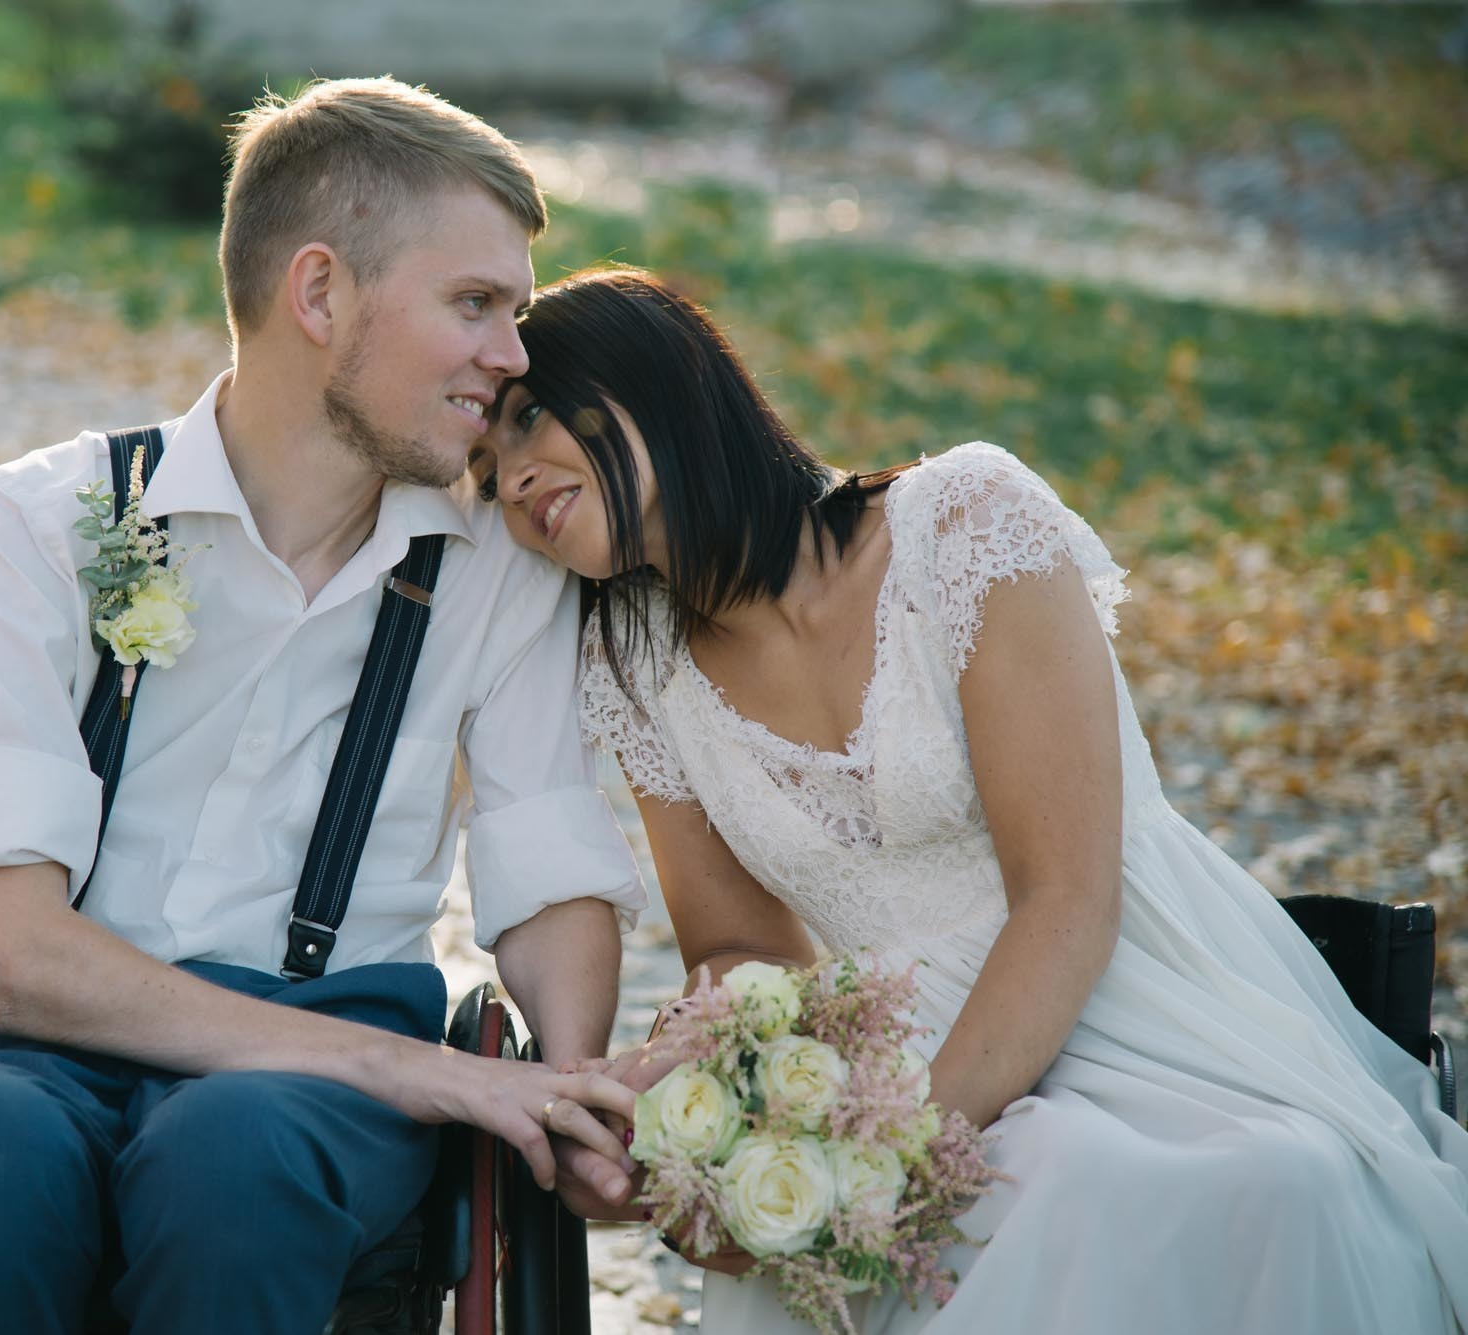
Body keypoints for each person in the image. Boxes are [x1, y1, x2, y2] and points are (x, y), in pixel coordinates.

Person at [467, 267, 1468, 1333]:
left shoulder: (962, 524)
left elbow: (1067, 898)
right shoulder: (637, 664)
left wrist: (899, 1152)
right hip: (886, 1055)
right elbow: (736, 948)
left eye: (529, 417)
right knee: (934, 1204)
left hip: (1130, 998)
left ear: (650, 373)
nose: (513, 478)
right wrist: (692, 1078)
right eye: (484, 474)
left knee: (1184, 1179)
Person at [0, 81, 649, 1333]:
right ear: (319, 293)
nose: (512, 356)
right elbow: (7, 963)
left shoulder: (498, 569)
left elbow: (545, 864)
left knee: (236, 1157)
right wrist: (413, 1067)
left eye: (515, 312)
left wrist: (568, 1090)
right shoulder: (39, 526)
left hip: (310, 1082)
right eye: (474, 304)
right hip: (6, 1050)